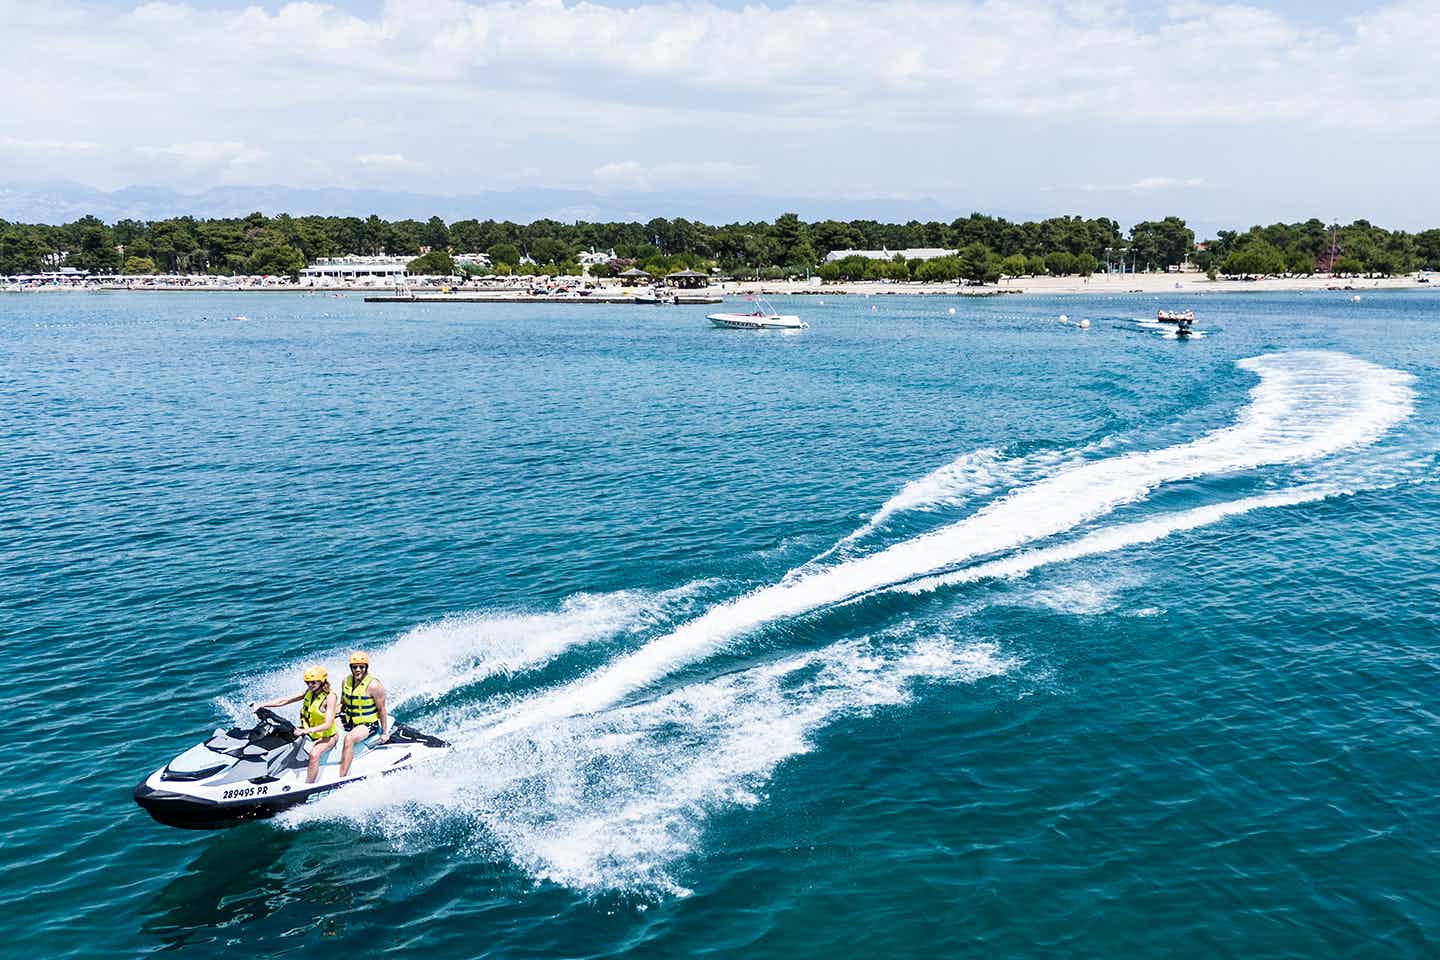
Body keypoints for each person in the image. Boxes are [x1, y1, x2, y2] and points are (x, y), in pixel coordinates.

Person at [251, 666, 340, 784]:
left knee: (314, 755)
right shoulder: (309, 692)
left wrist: (305, 731)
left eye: (313, 682)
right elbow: (285, 701)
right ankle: (264, 771)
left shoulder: (330, 697)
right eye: (307, 682)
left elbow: (328, 724)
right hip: (309, 733)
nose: (310, 685)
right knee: (279, 738)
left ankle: (308, 786)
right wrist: (262, 705)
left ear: (322, 681)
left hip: (328, 736)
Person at [338, 652, 390, 777]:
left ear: (366, 667)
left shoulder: (374, 685)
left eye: (361, 667)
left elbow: (382, 710)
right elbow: (342, 704)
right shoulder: (346, 681)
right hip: (350, 719)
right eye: (354, 667)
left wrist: (384, 733)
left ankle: (342, 777)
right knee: (325, 725)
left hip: (368, 724)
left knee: (349, 739)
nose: (358, 670)